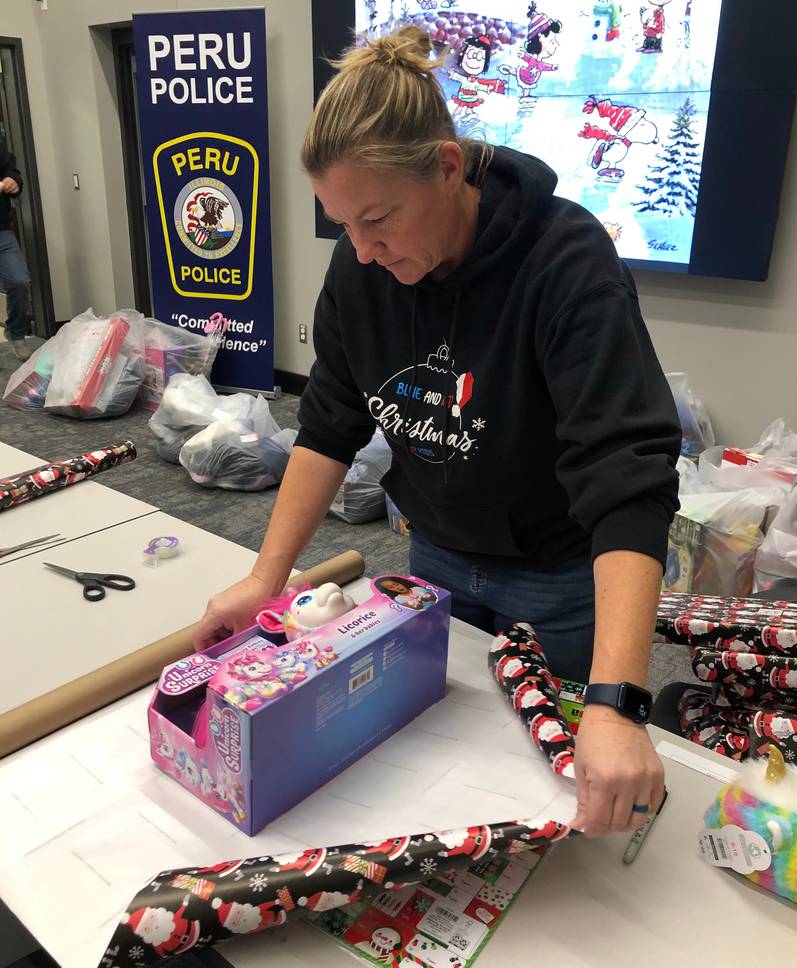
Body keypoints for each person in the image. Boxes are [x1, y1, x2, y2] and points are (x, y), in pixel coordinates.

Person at [195, 27, 681, 840]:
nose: (363, 250)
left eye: (378, 219)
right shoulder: (361, 268)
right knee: (437, 769)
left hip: (558, 577)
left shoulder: (565, 262)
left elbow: (626, 476)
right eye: (342, 224)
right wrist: (265, 577)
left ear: (449, 168)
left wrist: (618, 700)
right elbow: (327, 428)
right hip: (436, 560)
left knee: (559, 790)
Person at [0, 145, 31, 360]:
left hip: (2, 231)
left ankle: (16, 332)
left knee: (19, 281)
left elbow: (12, 172)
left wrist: (14, 181)